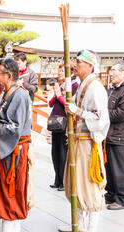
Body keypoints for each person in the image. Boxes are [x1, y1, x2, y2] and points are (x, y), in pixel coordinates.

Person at [58, 49, 110, 232]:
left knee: (89, 184)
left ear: (90, 65)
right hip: (78, 140)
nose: (75, 65)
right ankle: (79, 222)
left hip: (88, 142)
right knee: (75, 182)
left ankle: (93, 229)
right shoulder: (81, 85)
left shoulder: (96, 87)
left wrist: (78, 111)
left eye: (79, 62)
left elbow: (102, 120)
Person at [0, 58, 32, 232]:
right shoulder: (8, 94)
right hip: (11, 148)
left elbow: (13, 127)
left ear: (9, 75)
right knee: (11, 190)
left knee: (9, 190)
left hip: (13, 149)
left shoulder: (19, 95)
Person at [104, 59, 124, 210]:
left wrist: (102, 113)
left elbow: (122, 114)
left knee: (120, 168)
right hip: (108, 135)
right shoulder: (111, 89)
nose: (111, 74)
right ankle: (111, 195)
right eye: (111, 71)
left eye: (114, 71)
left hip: (119, 136)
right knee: (109, 168)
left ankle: (123, 199)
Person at [48, 63, 79, 191]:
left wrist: (59, 95)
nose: (60, 73)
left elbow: (69, 105)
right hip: (55, 121)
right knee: (54, 152)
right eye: (59, 71)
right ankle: (57, 179)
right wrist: (56, 94)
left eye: (62, 71)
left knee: (62, 152)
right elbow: (50, 104)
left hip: (65, 122)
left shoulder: (74, 85)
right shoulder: (60, 85)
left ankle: (63, 181)